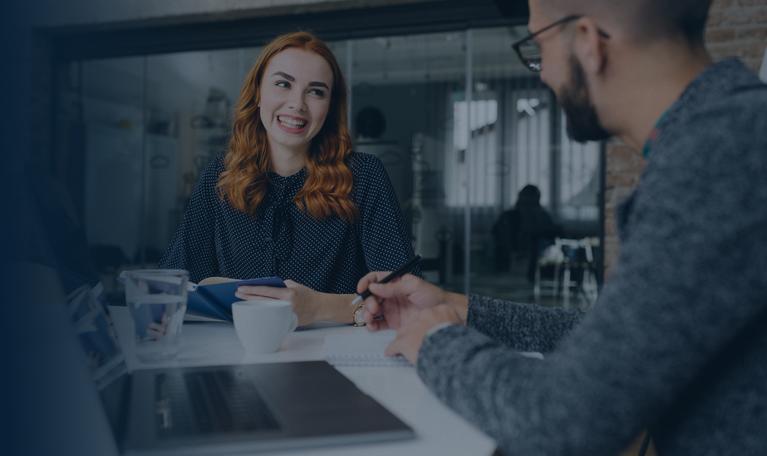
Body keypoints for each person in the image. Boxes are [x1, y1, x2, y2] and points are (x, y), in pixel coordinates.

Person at [357, 1, 767, 454]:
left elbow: (561, 421)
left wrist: (436, 341)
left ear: (589, 42)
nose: (542, 74)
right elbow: (614, 344)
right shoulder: (727, 135)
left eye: (538, 48)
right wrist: (458, 309)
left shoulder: (719, 158)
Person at [160, 31, 415, 326]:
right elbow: (175, 285)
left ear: (330, 108)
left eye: (316, 91)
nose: (298, 104)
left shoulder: (364, 176)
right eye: (283, 84)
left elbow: (406, 297)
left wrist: (321, 308)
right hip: (239, 356)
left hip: (334, 361)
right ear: (257, 94)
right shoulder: (219, 176)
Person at [491, 184, 557, 280]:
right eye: (526, 199)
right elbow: (496, 234)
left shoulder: (542, 217)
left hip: (535, 263)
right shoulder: (508, 217)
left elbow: (550, 238)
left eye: (531, 200)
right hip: (509, 261)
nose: (528, 204)